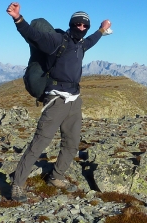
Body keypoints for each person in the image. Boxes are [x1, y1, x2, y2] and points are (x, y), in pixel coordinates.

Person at [6, 2, 111, 202]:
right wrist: (18, 18)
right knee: (39, 144)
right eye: (78, 24)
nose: (81, 28)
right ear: (72, 23)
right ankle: (17, 185)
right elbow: (33, 35)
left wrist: (101, 30)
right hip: (56, 100)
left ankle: (56, 176)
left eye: (84, 26)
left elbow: (91, 40)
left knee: (71, 144)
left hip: (74, 101)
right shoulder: (56, 41)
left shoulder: (81, 44)